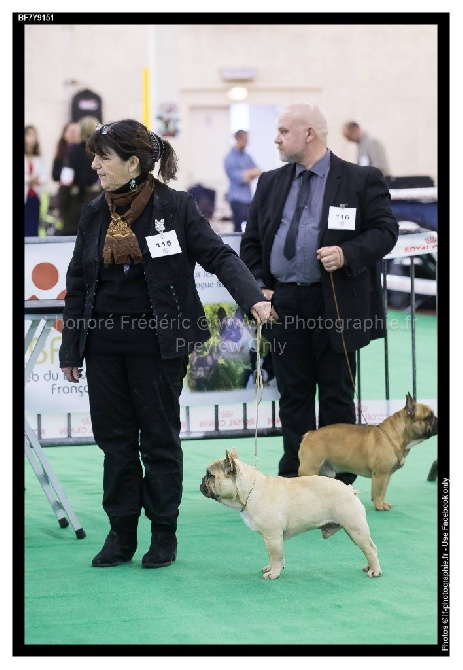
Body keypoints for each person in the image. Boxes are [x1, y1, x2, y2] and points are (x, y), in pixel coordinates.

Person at [59, 118, 271, 570]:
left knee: (158, 440)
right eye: (95, 155)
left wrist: (252, 299)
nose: (94, 163)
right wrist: (71, 349)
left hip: (160, 345)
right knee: (114, 442)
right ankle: (120, 534)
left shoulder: (176, 207)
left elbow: (219, 256)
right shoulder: (95, 211)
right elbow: (78, 281)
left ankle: (163, 533)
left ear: (133, 163)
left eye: (104, 157)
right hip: (103, 348)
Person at [240, 103, 399, 481]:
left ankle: (339, 481)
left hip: (337, 302)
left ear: (309, 133)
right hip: (285, 302)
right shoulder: (270, 182)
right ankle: (297, 474)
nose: (276, 139)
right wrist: (261, 284)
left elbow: (385, 231)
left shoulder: (361, 179)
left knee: (336, 394)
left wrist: (347, 253)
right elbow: (251, 243)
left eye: (283, 131)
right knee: (293, 395)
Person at [57, 115, 102, 235]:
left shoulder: (73, 152)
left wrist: (62, 208)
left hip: (76, 205)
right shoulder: (102, 152)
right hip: (99, 202)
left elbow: (66, 182)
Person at [224, 130, 262, 232]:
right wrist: (250, 173)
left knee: (252, 227)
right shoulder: (229, 158)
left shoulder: (247, 156)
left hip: (248, 199)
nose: (247, 143)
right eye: (245, 140)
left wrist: (246, 173)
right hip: (236, 199)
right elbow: (243, 180)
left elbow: (258, 171)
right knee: (238, 229)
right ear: (238, 139)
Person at [51, 121, 81, 231]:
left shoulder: (83, 151)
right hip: (66, 194)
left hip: (80, 196)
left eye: (76, 132)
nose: (73, 134)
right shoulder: (62, 152)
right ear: (65, 134)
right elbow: (55, 175)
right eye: (71, 131)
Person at [24, 125, 48, 236]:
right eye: (29, 134)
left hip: (34, 197)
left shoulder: (38, 158)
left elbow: (44, 177)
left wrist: (35, 180)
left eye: (34, 135)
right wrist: (30, 179)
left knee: (33, 229)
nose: (32, 138)